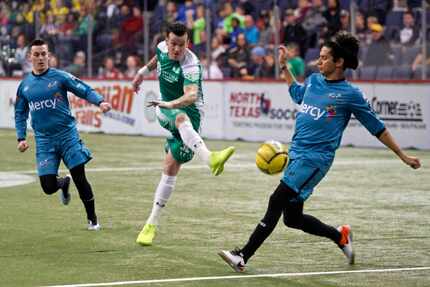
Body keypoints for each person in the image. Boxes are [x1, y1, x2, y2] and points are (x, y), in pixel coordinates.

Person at [218, 31, 421, 272]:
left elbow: (377, 128)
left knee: (276, 200)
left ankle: (242, 256)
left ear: (339, 62)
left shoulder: (351, 95)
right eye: (320, 57)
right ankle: (340, 236)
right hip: (297, 155)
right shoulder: (314, 80)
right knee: (292, 219)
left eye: (324, 58)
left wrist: (403, 156)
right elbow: (297, 94)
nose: (318, 61)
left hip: (315, 160)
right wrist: (284, 67)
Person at [131, 22, 235, 246]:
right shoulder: (161, 48)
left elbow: (190, 97)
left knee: (170, 167)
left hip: (191, 116)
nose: (177, 49)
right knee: (178, 118)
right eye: (173, 44)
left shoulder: (192, 64)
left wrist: (170, 103)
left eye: (182, 44)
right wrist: (141, 73)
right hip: (167, 111)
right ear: (166, 41)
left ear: (188, 42)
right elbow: (156, 59)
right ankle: (210, 158)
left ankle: (150, 224)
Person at [15, 39, 112, 230]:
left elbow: (82, 88)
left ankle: (93, 220)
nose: (41, 58)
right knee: (48, 187)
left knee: (80, 177)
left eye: (44, 54)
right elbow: (20, 113)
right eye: (37, 54)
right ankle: (62, 183)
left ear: (49, 56)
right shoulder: (24, 86)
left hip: (67, 136)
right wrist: (21, 137)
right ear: (29, 58)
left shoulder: (60, 77)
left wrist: (99, 102)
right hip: (44, 141)